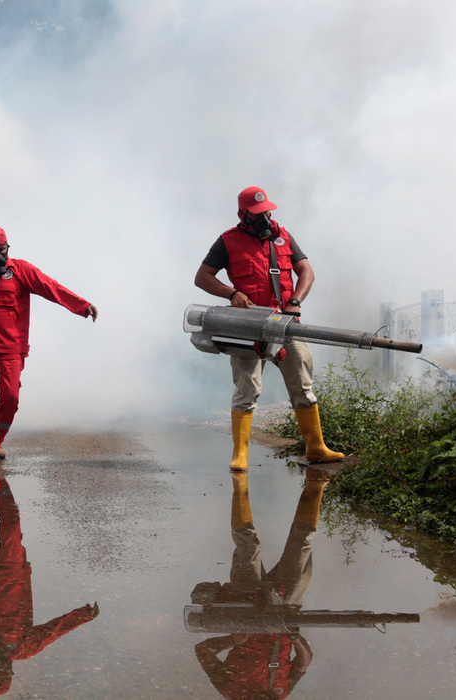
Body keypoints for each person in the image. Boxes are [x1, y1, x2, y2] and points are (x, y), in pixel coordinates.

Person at [193, 186, 343, 471]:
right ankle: (240, 455)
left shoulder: (283, 237)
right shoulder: (227, 242)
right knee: (246, 390)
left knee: (303, 386)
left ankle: (316, 447)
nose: (266, 217)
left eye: (268, 211)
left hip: (287, 326)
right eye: (258, 213)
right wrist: (231, 293)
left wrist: (296, 301)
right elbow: (202, 277)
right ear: (243, 215)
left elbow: (307, 272)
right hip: (248, 328)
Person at [0, 226, 98, 466]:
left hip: (11, 350)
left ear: (8, 248)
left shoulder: (21, 270)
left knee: (10, 398)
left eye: (0, 250)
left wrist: (82, 306)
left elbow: (51, 287)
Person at [0, 475, 100, 695]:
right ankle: (1, 482)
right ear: (10, 672)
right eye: (3, 672)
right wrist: (83, 616)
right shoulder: (26, 648)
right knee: (11, 525)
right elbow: (53, 631)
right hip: (13, 572)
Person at [190, 468, 330, 699]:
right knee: (302, 543)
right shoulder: (280, 694)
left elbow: (202, 651)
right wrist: (295, 637)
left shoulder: (230, 691)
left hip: (245, 604)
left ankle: (239, 480)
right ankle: (317, 483)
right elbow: (304, 662)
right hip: (287, 609)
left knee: (248, 545)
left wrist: (231, 640)